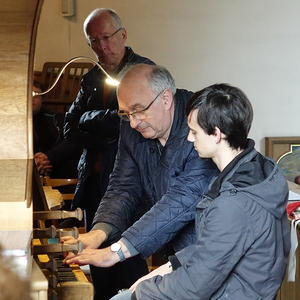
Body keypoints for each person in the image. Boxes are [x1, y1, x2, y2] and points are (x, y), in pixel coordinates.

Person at [111, 83, 291, 300]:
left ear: (216, 134)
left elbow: (193, 287)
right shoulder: (259, 167)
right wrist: (169, 266)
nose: (189, 138)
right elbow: (215, 246)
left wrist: (141, 292)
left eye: (194, 131)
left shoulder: (233, 203)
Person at [63, 64, 218, 297]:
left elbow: (181, 200)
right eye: (126, 113)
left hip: (210, 253)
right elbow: (123, 186)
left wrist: (116, 251)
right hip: (176, 257)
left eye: (138, 111)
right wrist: (99, 233)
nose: (133, 123)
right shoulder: (131, 125)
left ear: (166, 98)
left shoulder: (199, 123)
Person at [63, 8, 155, 300]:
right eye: (94, 41)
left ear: (123, 35)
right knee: (98, 270)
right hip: (93, 184)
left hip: (133, 187)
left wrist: (92, 121)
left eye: (106, 38)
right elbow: (68, 128)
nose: (101, 47)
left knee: (129, 269)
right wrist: (106, 129)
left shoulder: (144, 71)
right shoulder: (91, 78)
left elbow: (132, 126)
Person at [32, 81, 82, 179]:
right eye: (29, 94)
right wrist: (34, 162)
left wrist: (48, 158)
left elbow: (72, 139)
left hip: (53, 165)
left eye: (37, 94)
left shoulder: (55, 117)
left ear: (42, 99)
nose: (33, 98)